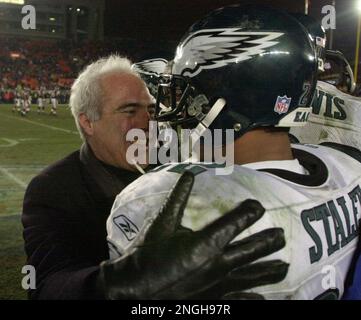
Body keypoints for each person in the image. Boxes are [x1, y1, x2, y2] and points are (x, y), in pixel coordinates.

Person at [107, 5, 361, 299]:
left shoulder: (166, 199)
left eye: (188, 88)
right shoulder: (346, 167)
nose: (175, 103)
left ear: (229, 98)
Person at [21, 54, 287, 300]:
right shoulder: (54, 189)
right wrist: (123, 284)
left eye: (150, 110)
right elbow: (48, 285)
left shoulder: (176, 164)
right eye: (129, 110)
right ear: (88, 122)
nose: (149, 122)